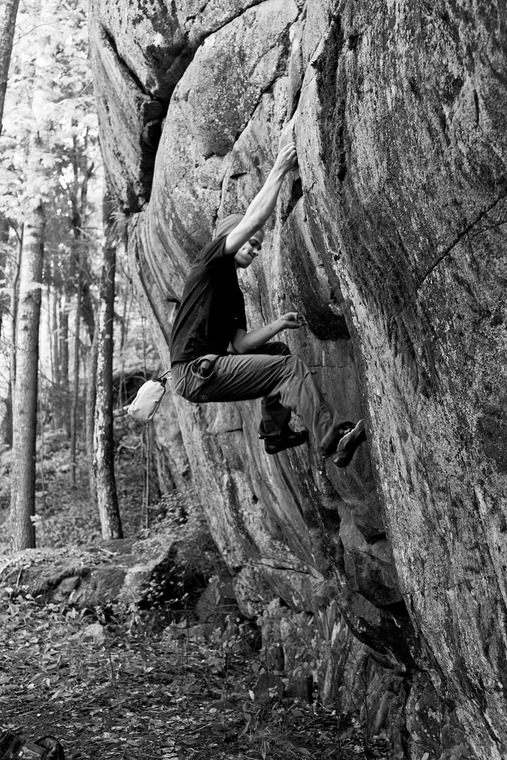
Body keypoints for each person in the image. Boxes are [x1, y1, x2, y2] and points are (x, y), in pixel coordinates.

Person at [170, 142, 366, 468]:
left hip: (206, 369)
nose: (255, 249)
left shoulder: (232, 293)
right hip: (195, 372)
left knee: (279, 353)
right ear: (231, 237)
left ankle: (275, 433)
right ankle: (334, 440)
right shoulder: (210, 264)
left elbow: (240, 345)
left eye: (259, 246)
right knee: (288, 369)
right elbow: (253, 218)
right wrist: (279, 169)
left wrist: (279, 324)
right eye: (251, 241)